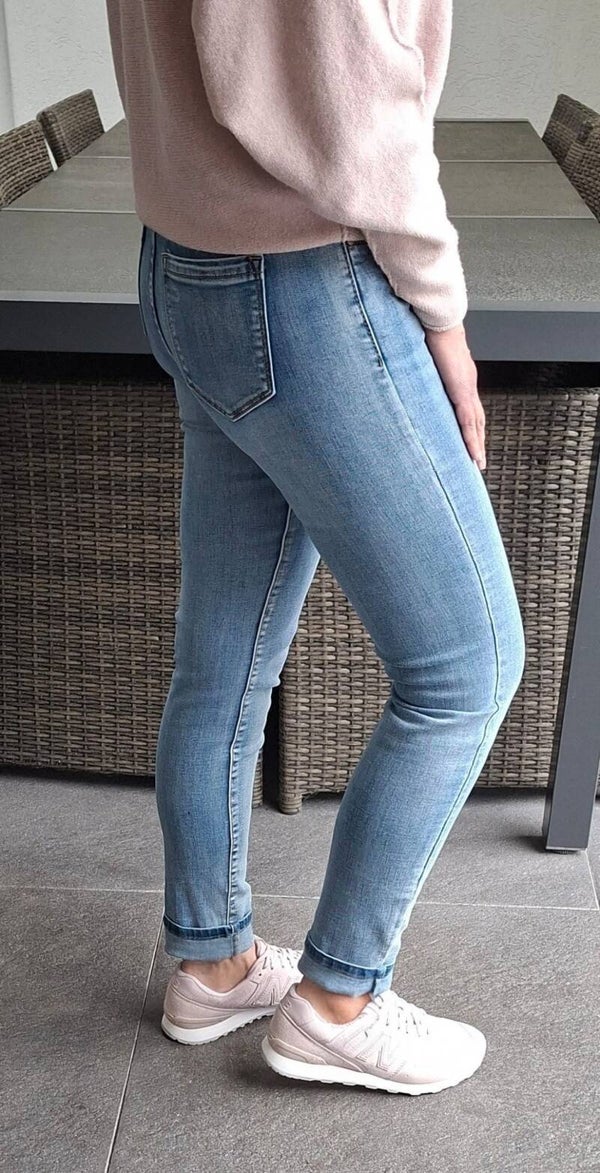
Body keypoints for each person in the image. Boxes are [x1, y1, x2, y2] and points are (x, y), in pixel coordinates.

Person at [106, 0, 525, 1095]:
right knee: (468, 663)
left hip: (187, 263)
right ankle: (341, 1001)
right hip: (305, 280)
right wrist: (443, 314)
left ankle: (212, 963)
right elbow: (353, 111)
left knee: (225, 660)